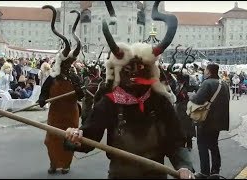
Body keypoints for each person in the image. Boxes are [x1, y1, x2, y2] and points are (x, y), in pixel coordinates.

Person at [64, 2, 194, 178]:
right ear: (119, 73)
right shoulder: (110, 102)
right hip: (120, 174)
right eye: (128, 70)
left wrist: (184, 165)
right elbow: (89, 137)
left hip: (155, 174)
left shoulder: (159, 101)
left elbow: (176, 141)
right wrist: (75, 136)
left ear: (150, 72)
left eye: (140, 70)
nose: (134, 76)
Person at [38, 5, 84, 174]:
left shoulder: (74, 77)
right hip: (56, 114)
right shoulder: (52, 77)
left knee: (69, 140)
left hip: (71, 115)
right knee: (51, 139)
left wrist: (79, 91)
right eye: (64, 65)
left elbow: (81, 94)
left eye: (68, 65)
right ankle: (53, 163)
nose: (66, 68)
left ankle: (65, 165)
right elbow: (43, 93)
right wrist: (42, 100)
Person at [189, 64, 230, 178]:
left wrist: (191, 95)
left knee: (202, 145)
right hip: (219, 121)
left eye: (206, 70)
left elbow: (197, 99)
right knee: (214, 145)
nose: (204, 72)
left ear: (209, 71)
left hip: (206, 121)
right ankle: (215, 171)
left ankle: (204, 172)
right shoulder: (224, 84)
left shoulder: (207, 83)